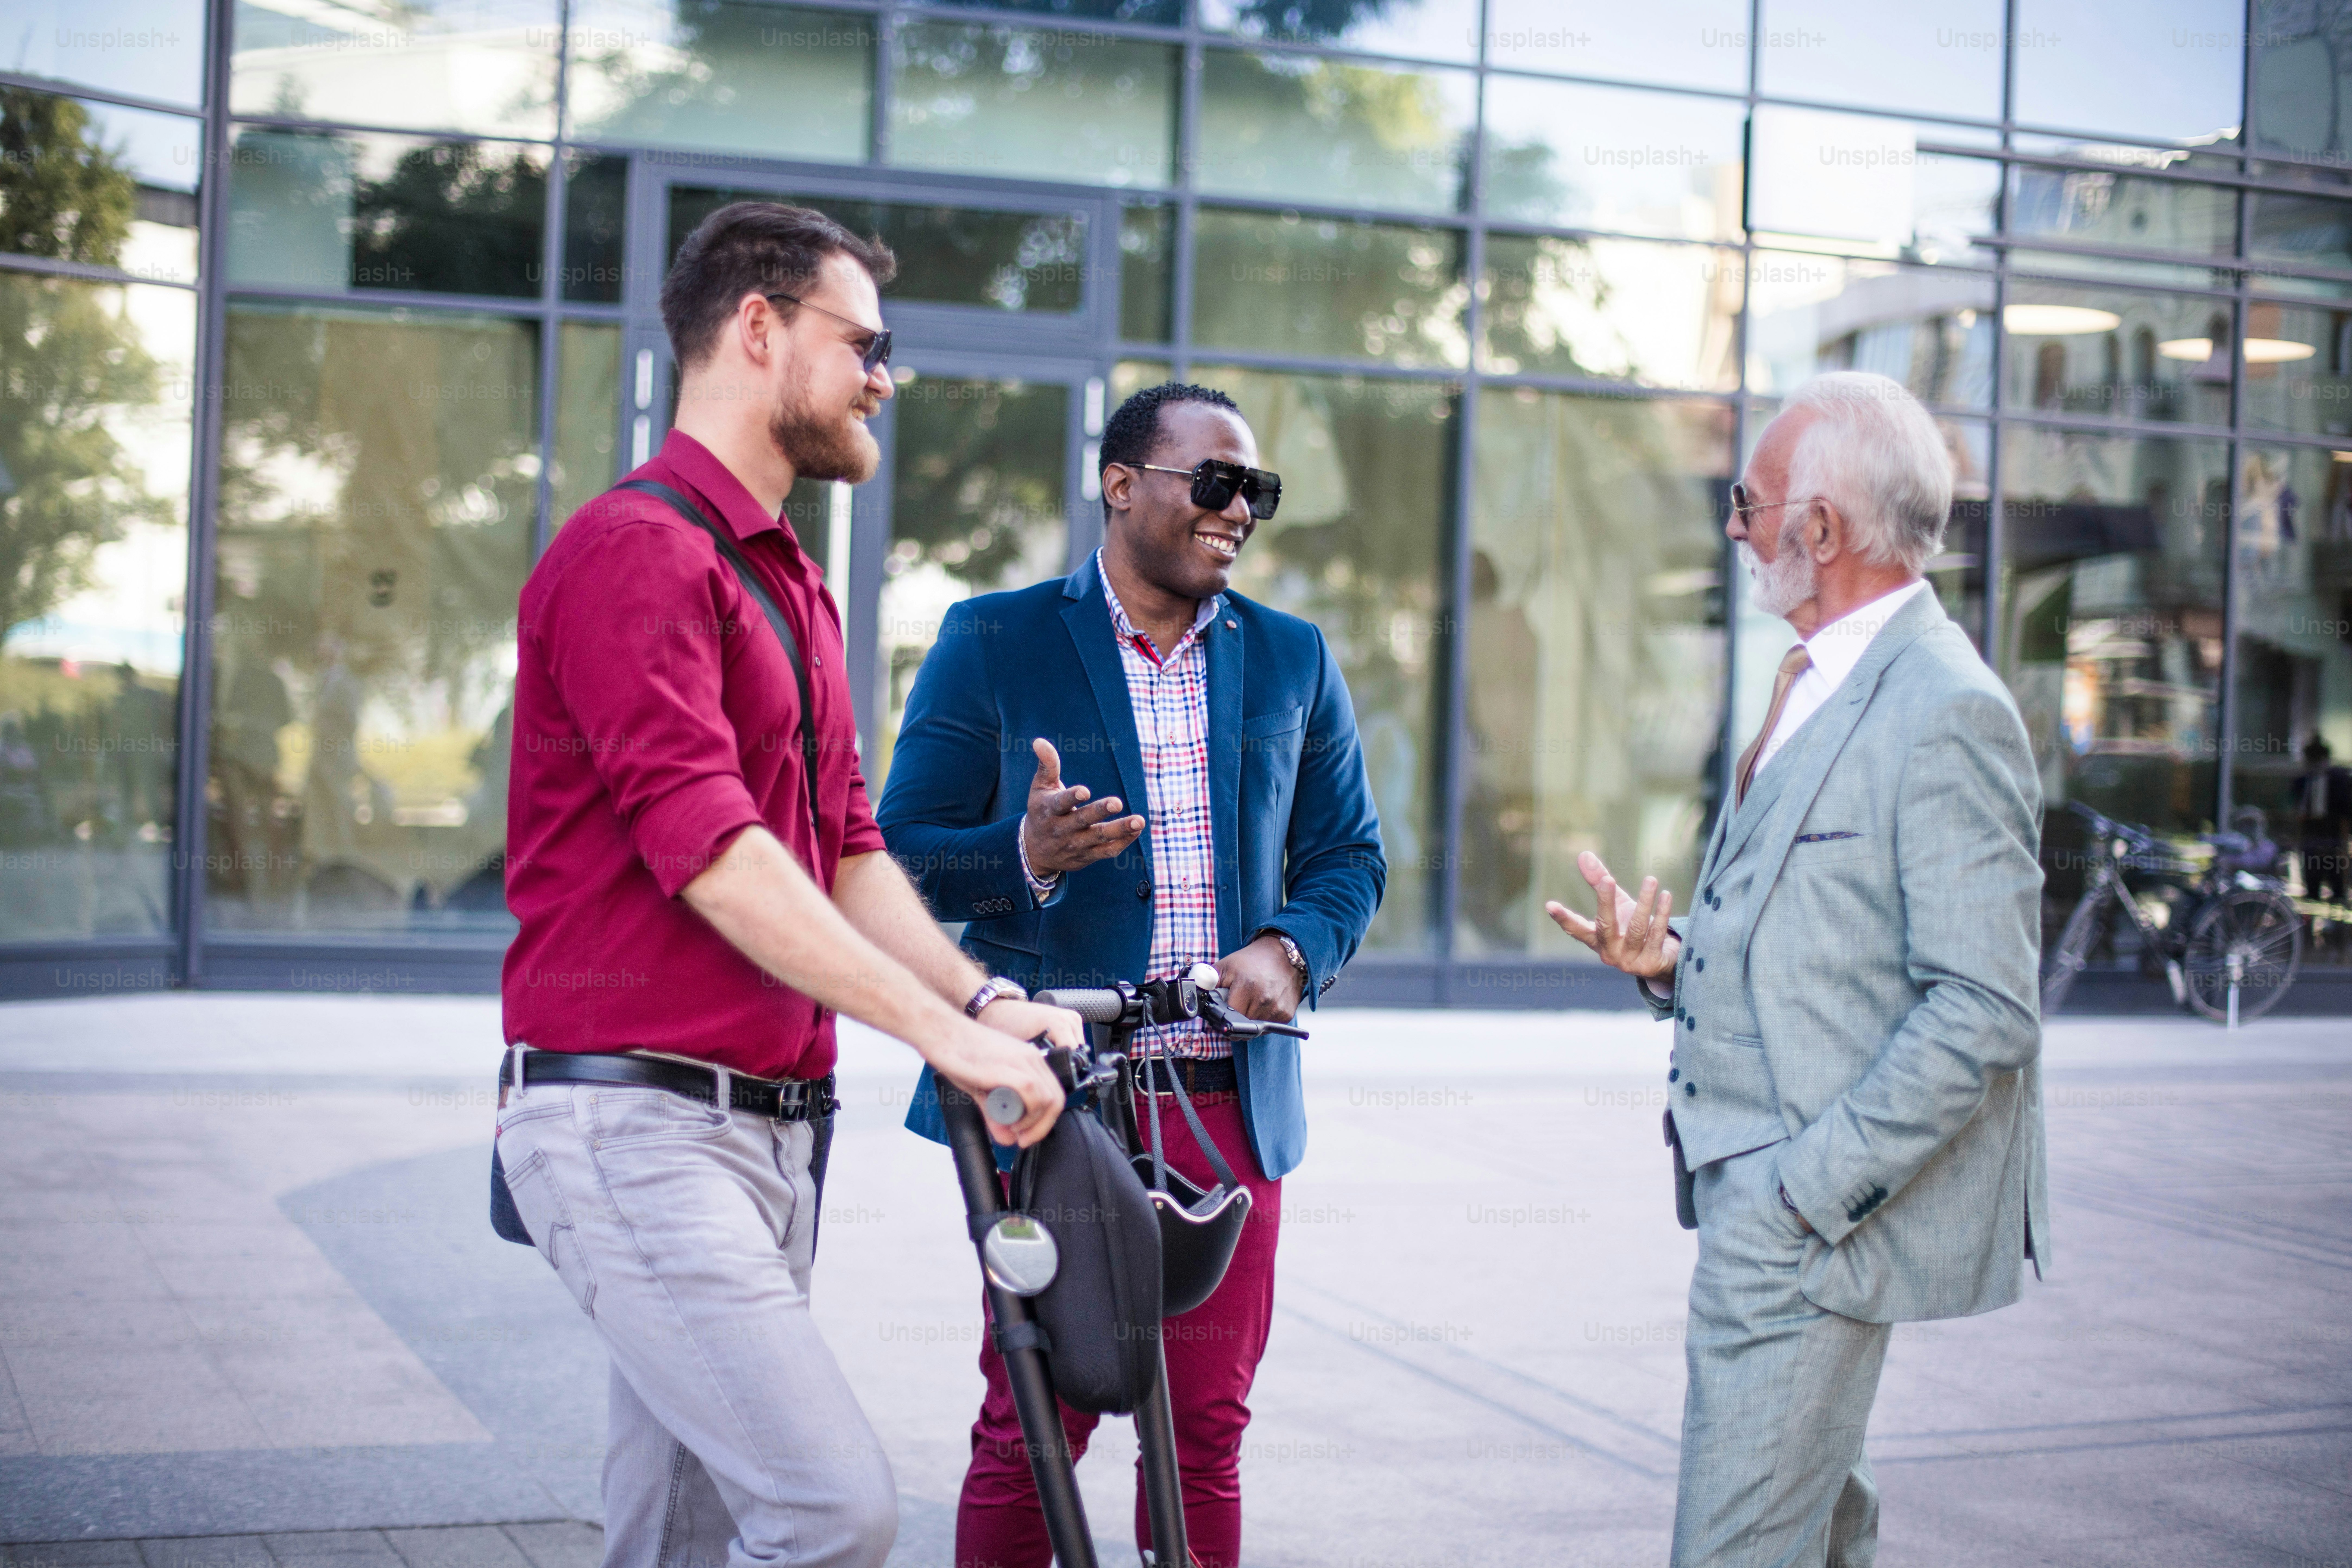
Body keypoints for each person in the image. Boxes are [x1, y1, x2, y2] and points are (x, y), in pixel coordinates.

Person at [495, 202, 1078, 1568]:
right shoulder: (638, 552)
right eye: (864, 341)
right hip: (633, 1126)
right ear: (757, 330)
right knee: (829, 1507)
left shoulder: (790, 581)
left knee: (687, 1539)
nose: (887, 375)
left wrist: (987, 991)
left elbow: (846, 851)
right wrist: (947, 1039)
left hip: (763, 1137)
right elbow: (711, 849)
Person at [878, 382, 1385, 1568]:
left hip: (1227, 1106)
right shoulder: (993, 639)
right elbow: (896, 857)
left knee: (1205, 1432)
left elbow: (1350, 858)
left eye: (1257, 493)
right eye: (1217, 483)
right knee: (1032, 1426)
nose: (1240, 512)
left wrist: (1294, 946)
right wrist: (1022, 856)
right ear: (1121, 484)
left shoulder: (1294, 659)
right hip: (1059, 1108)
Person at [1548, 370, 2048, 1568]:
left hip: (1805, 1222)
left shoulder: (1944, 708)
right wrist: (1670, 962)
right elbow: (1828, 948)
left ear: (1818, 530)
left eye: (1748, 500)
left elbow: (1984, 1006)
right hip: (1763, 1201)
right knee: (1816, 1535)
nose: (1734, 525)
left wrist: (1799, 1198)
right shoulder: (1824, 677)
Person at [2293, 735, 2351, 904]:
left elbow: (2345, 812)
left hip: (2332, 832)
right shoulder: (2303, 781)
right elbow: (2299, 810)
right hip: (2311, 832)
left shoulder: (2338, 780)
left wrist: (2344, 840)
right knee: (2312, 878)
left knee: (2336, 880)